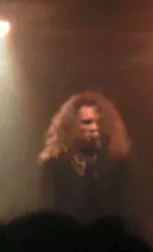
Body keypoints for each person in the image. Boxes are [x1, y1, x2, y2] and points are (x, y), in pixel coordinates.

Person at [39, 90, 132, 224]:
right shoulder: (56, 166)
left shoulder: (115, 166)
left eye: (98, 123)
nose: (95, 128)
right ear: (70, 126)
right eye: (87, 122)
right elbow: (49, 212)